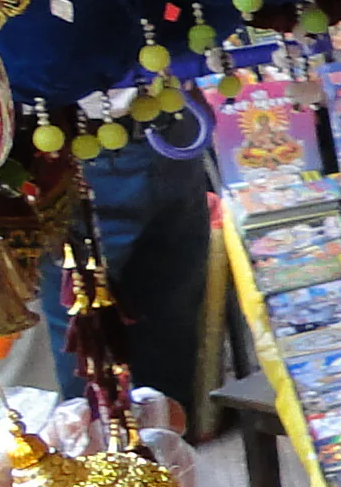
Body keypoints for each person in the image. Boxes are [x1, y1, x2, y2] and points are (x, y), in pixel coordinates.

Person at [41, 127, 215, 425]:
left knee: (173, 324)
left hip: (172, 141)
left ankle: (171, 440)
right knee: (84, 336)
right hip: (78, 148)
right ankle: (95, 448)